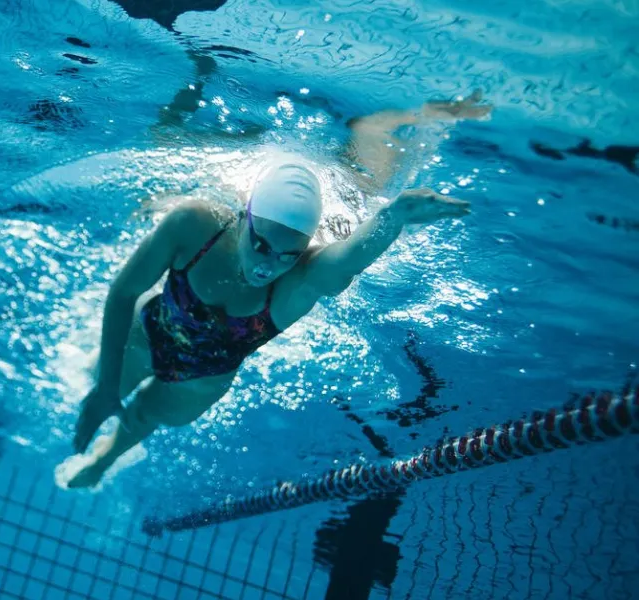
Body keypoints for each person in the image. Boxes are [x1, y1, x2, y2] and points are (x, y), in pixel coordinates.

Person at [65, 89, 491, 488]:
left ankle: (101, 463)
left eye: (287, 255)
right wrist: (105, 391)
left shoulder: (300, 281)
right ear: (244, 218)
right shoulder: (195, 223)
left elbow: (349, 258)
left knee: (144, 415)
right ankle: (101, 384)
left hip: (198, 380)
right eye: (261, 245)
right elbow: (122, 292)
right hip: (146, 330)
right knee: (100, 380)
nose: (268, 266)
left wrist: (395, 217)